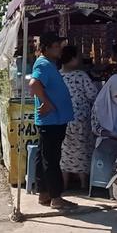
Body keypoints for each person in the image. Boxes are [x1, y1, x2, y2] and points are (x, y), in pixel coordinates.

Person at [29, 31, 76, 211]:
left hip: (52, 121)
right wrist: (47, 103)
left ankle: (44, 194)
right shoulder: (43, 64)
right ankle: (56, 197)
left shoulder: (48, 64)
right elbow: (34, 84)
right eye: (56, 46)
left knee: (44, 157)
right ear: (46, 48)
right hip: (51, 121)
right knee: (52, 159)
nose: (59, 50)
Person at [59, 45, 98, 191]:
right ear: (73, 58)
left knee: (65, 151)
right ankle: (83, 184)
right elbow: (93, 95)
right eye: (78, 56)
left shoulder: (57, 75)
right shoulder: (81, 75)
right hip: (81, 119)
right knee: (82, 150)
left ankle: (64, 183)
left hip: (62, 119)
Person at [91, 74, 117, 141]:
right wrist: (112, 135)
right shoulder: (99, 104)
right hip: (104, 144)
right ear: (111, 90)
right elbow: (95, 128)